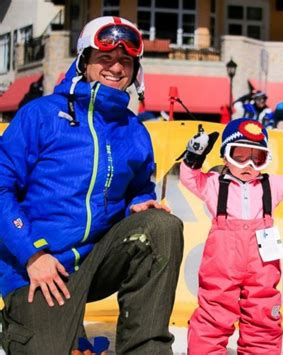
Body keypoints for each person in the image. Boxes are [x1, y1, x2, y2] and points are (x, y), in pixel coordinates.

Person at [0, 16, 184, 354]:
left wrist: (139, 205)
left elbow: (139, 189)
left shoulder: (134, 130)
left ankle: (147, 349)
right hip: (40, 266)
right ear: (84, 61)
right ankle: (32, 326)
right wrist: (31, 254)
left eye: (125, 61)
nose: (116, 67)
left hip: (96, 261)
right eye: (105, 58)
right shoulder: (40, 115)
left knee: (161, 226)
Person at [179, 116, 283, 354]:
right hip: (222, 265)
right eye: (239, 157)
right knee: (214, 312)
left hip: (262, 264)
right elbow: (189, 179)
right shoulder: (214, 184)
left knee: (263, 313)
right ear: (225, 156)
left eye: (257, 158)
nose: (249, 167)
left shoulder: (270, 185)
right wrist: (194, 156)